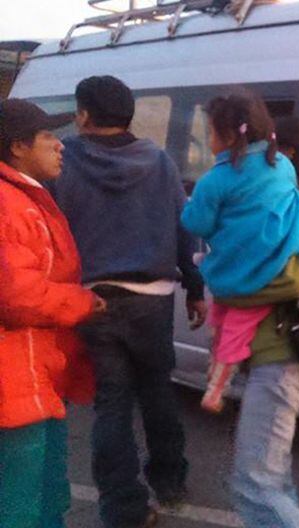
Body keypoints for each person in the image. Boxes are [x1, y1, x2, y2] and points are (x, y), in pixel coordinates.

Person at [182, 94, 299, 527]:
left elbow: (293, 280)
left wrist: (228, 287)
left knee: (254, 484)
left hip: (284, 355)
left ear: (288, 154)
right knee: (274, 480)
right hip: (274, 352)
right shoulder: (286, 196)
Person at [51, 75, 207, 528]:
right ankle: (170, 480)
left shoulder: (64, 160)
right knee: (157, 389)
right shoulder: (158, 160)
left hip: (93, 301)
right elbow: (184, 227)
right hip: (153, 299)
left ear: (83, 115)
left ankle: (123, 509)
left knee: (112, 404)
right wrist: (195, 288)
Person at [180, 94, 299, 414]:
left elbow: (198, 223)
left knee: (226, 319)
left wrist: (189, 211)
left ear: (230, 137)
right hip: (271, 260)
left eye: (211, 132)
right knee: (239, 323)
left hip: (235, 267)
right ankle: (219, 371)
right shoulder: (283, 165)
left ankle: (217, 382)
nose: (209, 139)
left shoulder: (214, 180)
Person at [0, 99, 105, 527]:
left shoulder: (28, 197)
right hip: (16, 382)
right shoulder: (9, 203)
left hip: (38, 377)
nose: (61, 146)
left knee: (47, 496)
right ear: (18, 147)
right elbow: (16, 295)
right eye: (48, 138)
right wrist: (82, 302)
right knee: (20, 505)